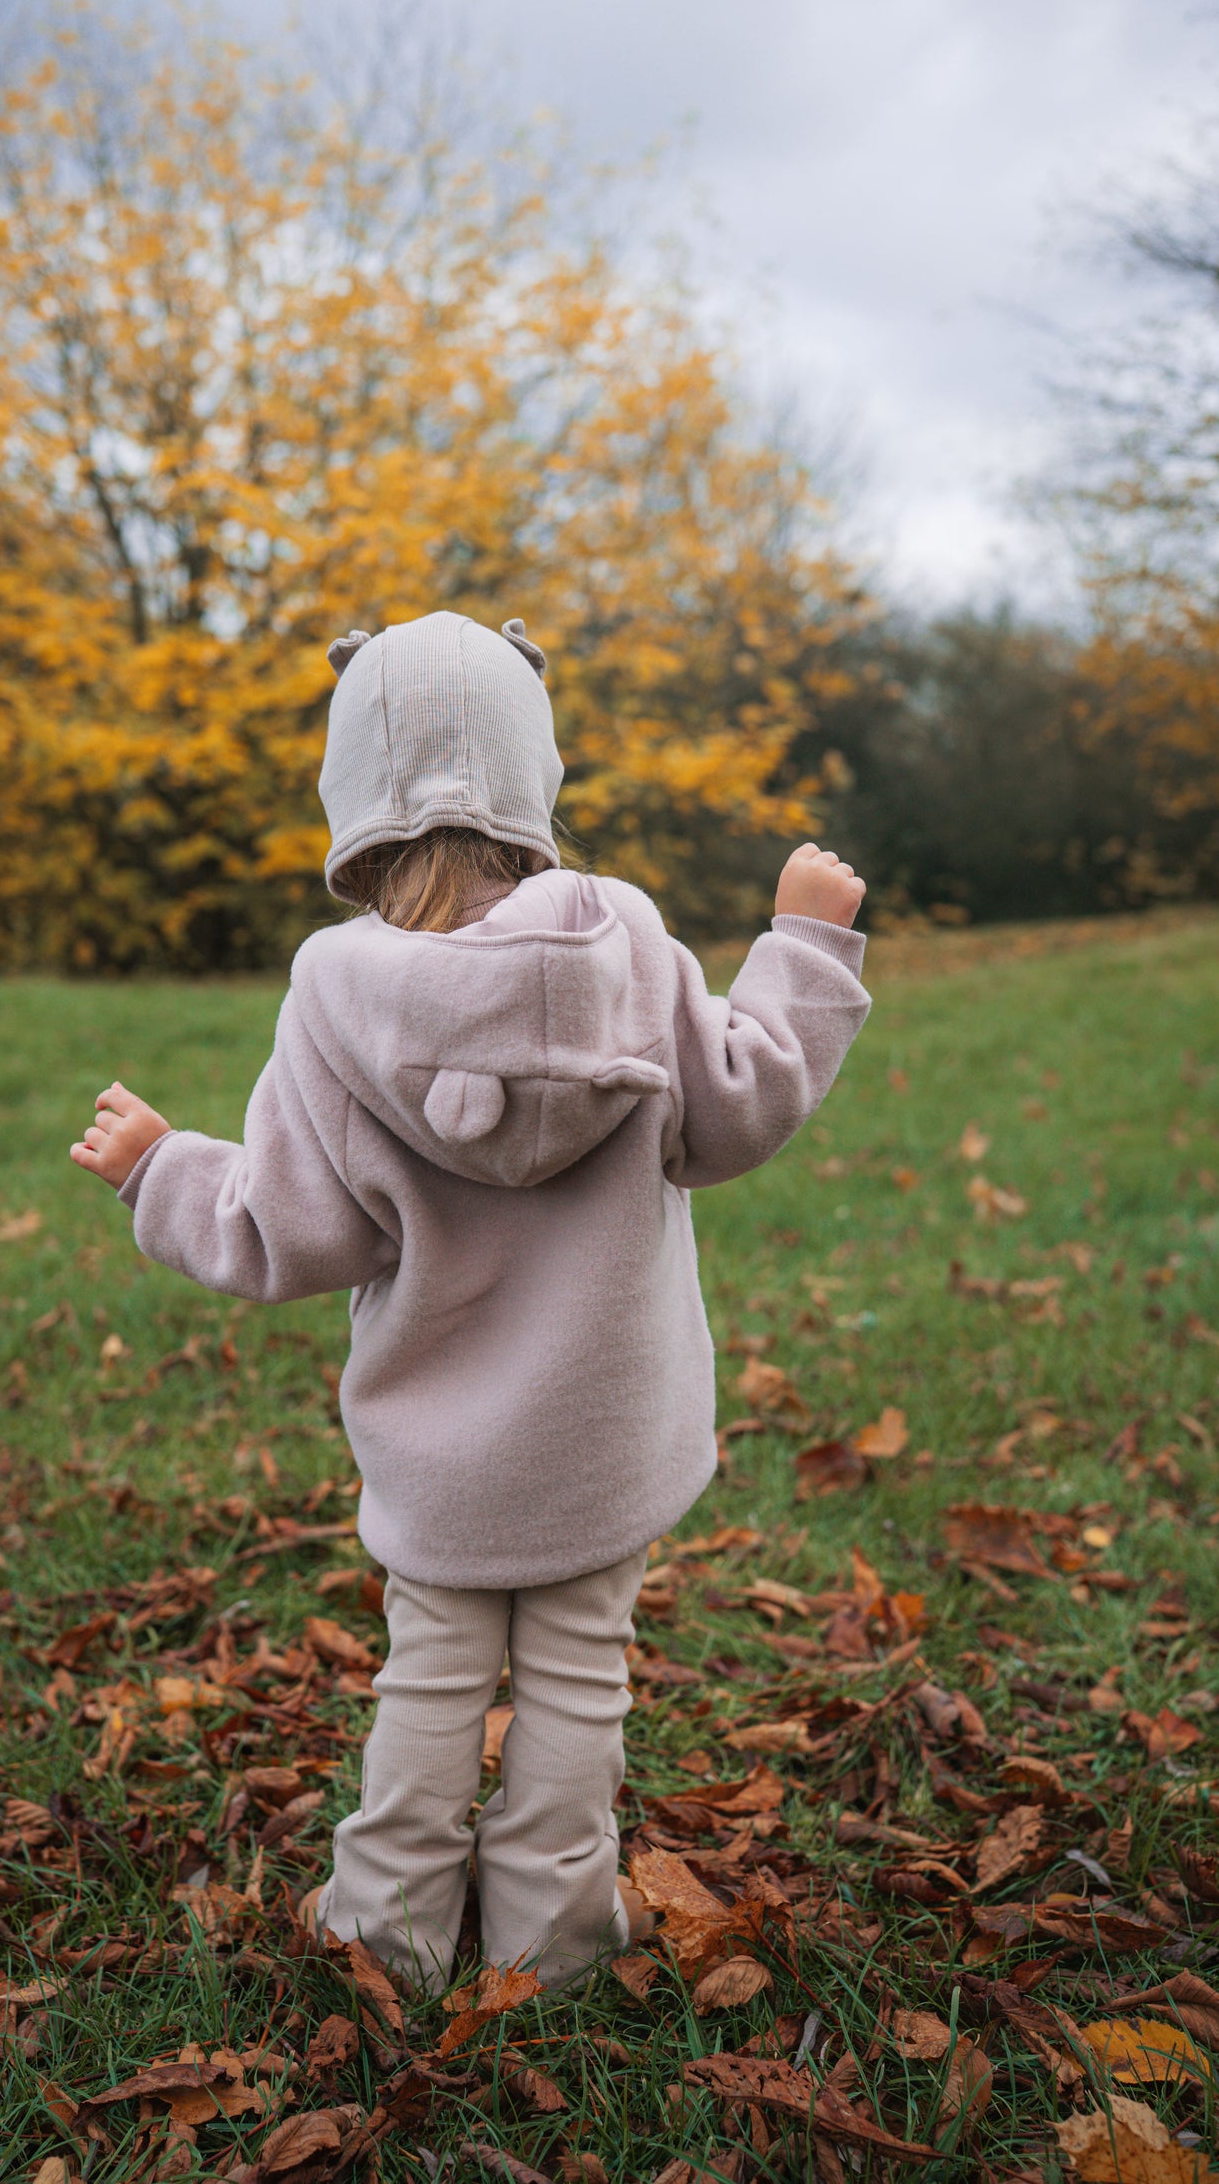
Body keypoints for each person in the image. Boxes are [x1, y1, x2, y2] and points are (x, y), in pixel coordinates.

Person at [71, 611, 870, 1992]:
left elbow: (286, 1228)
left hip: (443, 1461)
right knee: (577, 1680)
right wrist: (799, 944)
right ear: (532, 771)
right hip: (608, 1438)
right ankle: (553, 1945)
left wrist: (161, 1168)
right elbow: (737, 1108)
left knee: (431, 1685)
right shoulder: (627, 940)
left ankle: (386, 1932)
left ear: (350, 800)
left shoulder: (332, 997)